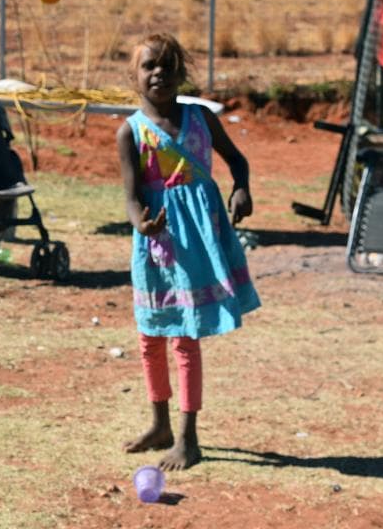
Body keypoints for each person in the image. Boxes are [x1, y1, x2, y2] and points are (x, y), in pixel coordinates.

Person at [115, 32, 260, 471]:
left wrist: (241, 190)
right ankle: (158, 423)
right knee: (149, 337)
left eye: (167, 64)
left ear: (181, 72)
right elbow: (131, 196)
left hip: (197, 242)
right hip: (155, 246)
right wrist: (142, 222)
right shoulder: (130, 132)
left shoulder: (201, 119)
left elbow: (238, 161)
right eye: (148, 66)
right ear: (135, 77)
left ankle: (187, 436)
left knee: (185, 336)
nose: (158, 72)